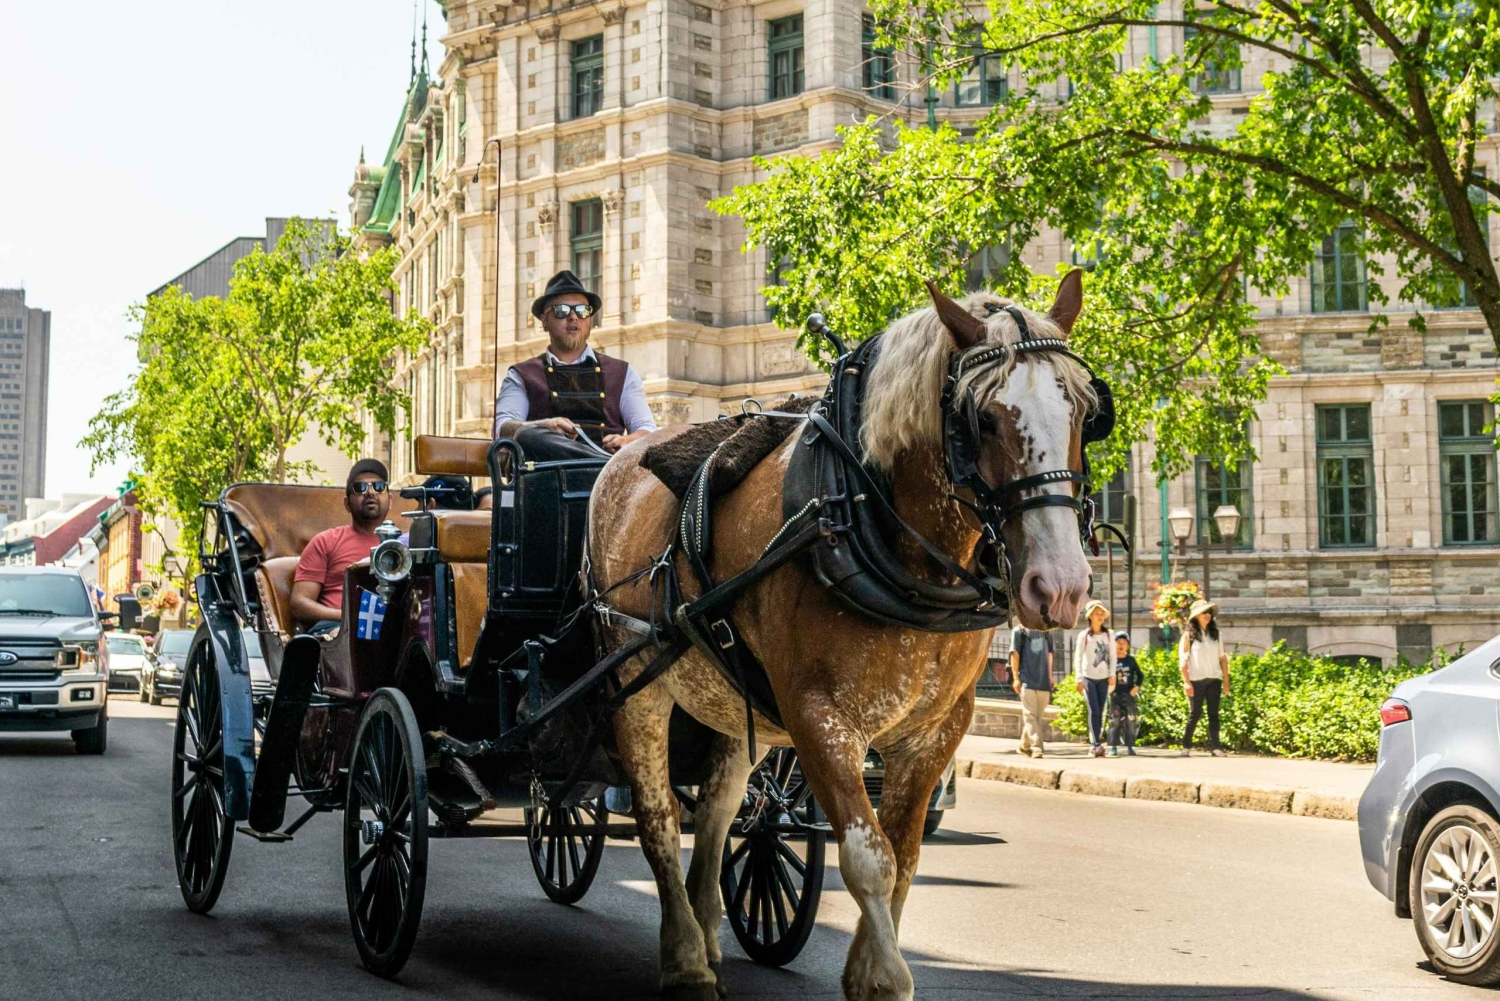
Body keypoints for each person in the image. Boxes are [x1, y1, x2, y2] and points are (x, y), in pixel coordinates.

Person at [493, 269, 659, 460]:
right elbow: (502, 428)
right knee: (529, 434)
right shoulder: (521, 375)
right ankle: (594, 456)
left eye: (582, 311)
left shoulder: (622, 373)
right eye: (562, 310)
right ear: (544, 320)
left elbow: (647, 430)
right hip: (547, 476)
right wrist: (544, 426)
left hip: (605, 477)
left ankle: (596, 458)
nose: (573, 317)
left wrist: (628, 441)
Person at [290, 459, 391, 635]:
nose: (370, 492)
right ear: (347, 503)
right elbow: (299, 604)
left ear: (390, 500)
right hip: (335, 629)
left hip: (391, 630)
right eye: (360, 488)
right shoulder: (325, 541)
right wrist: (349, 615)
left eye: (379, 486)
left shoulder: (402, 545)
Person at [1180, 598, 1231, 757]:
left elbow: (1223, 659)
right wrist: (1186, 682)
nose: (1207, 615)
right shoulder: (1189, 636)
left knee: (1214, 714)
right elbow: (1183, 661)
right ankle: (1186, 746)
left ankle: (1216, 747)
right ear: (1196, 616)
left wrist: (1226, 681)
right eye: (1203, 612)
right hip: (1196, 680)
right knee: (1195, 713)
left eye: (1209, 612)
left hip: (1214, 679)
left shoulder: (1217, 635)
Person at [1072, 600, 1116, 757]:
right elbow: (1078, 657)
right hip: (1089, 677)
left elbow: (1112, 656)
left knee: (1101, 709)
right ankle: (1095, 743)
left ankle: (1097, 742)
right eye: (1097, 613)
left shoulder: (1109, 635)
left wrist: (1112, 675)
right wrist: (1079, 678)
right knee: (1094, 709)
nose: (1100, 616)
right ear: (1090, 616)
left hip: (1103, 678)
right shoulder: (1084, 635)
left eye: (1101, 613)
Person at [1009, 624, 1054, 759]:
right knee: (1030, 715)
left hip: (1044, 681)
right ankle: (1036, 747)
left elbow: (1050, 654)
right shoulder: (1019, 631)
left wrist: (1051, 677)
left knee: (1036, 717)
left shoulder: (1046, 631)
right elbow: (1014, 654)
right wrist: (1016, 678)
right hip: (1026, 681)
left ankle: (1024, 746)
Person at [1107, 630, 1144, 756]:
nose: (1121, 645)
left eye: (1124, 642)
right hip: (1115, 695)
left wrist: (1136, 687)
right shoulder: (1111, 661)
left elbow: (1140, 675)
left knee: (1131, 721)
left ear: (1127, 646)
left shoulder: (1131, 661)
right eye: (1118, 642)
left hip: (1129, 695)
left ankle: (1130, 746)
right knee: (1114, 721)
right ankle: (1113, 747)